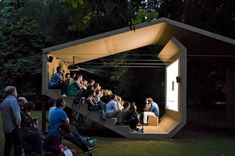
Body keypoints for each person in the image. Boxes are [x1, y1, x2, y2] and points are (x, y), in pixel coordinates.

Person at [0, 86, 23, 156]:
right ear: (13, 92)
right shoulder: (13, 100)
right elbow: (16, 115)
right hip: (14, 127)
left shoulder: (4, 101)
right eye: (16, 91)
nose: (16, 93)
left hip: (6, 127)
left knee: (8, 145)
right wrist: (18, 123)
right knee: (18, 145)